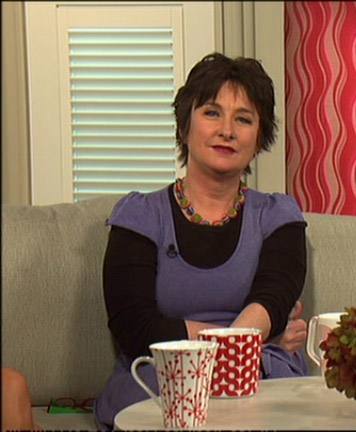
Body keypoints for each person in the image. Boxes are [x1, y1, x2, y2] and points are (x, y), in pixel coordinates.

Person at [94, 53, 309, 429]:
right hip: (164, 377)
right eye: (212, 112)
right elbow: (135, 327)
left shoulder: (279, 216)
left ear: (259, 138)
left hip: (260, 376)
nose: (227, 130)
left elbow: (274, 300)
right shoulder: (139, 216)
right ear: (185, 125)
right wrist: (254, 342)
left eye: (243, 119)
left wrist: (243, 345)